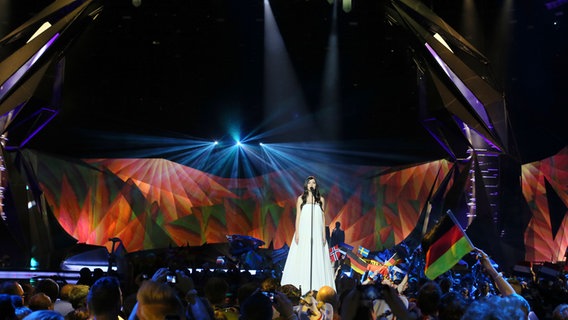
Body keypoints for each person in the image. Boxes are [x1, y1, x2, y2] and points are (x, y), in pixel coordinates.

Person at [281, 176, 336, 295]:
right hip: (304, 231)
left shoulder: (320, 199)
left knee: (317, 256)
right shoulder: (301, 199)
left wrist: (323, 234)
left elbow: (322, 218)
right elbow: (298, 217)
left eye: (314, 182)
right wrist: (297, 232)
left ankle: (318, 286)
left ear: (316, 185)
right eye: (310, 182)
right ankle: (301, 286)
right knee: (304, 255)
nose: (312, 184)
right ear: (306, 185)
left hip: (317, 232)